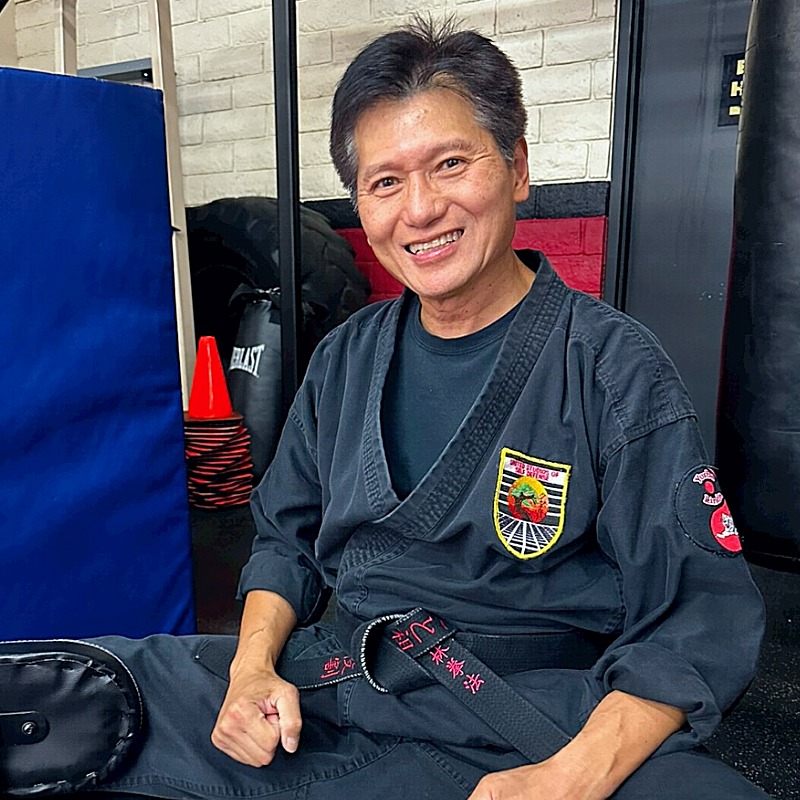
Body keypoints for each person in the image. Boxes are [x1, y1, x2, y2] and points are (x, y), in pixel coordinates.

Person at [1, 17, 770, 800]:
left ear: (517, 168)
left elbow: (696, 617)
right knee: (71, 699)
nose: (421, 209)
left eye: (450, 164)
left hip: (524, 722)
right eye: (385, 182)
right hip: (334, 689)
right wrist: (253, 668)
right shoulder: (345, 358)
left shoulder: (611, 366)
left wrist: (569, 779)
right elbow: (285, 539)